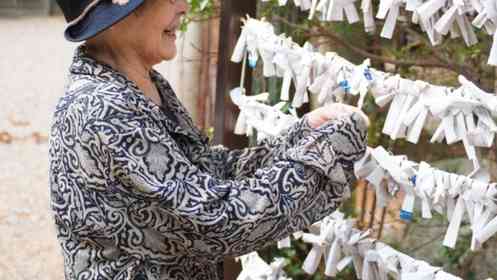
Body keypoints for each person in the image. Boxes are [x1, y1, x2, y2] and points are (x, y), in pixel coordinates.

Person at [49, 0, 370, 279]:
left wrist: (302, 135)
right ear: (119, 14)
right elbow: (217, 221)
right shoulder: (104, 108)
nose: (185, 7)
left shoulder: (141, 84)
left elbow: (207, 171)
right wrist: (323, 155)